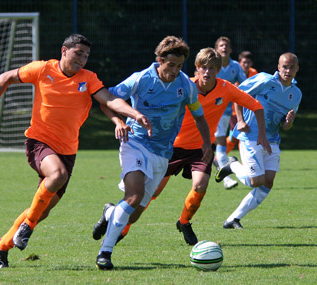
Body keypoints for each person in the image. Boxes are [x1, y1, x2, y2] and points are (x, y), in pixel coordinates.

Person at [0, 34, 151, 269]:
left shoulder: (88, 78)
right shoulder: (42, 69)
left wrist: (133, 114)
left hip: (67, 152)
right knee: (56, 176)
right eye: (78, 53)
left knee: (42, 211)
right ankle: (27, 228)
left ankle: (2, 245)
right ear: (64, 50)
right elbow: (5, 77)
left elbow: (109, 99)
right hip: (38, 142)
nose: (82, 59)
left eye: (86, 56)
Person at [101, 48, 271, 246]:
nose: (207, 72)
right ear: (197, 69)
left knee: (200, 186)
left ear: (218, 71)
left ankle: (184, 222)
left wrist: (260, 134)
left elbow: (256, 105)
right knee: (152, 193)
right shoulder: (182, 86)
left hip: (201, 148)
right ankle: (122, 226)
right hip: (171, 147)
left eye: (212, 69)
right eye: (203, 68)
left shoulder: (226, 89)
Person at [91, 36, 213, 270]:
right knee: (133, 196)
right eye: (171, 65)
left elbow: (199, 116)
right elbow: (107, 99)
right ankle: (105, 253)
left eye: (179, 66)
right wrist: (119, 121)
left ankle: (110, 213)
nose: (175, 71)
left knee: (133, 214)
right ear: (159, 60)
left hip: (162, 153)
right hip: (134, 142)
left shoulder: (185, 85)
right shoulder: (141, 79)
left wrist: (206, 143)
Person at [221, 52, 302, 229]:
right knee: (255, 181)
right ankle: (232, 165)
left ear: (297, 69)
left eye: (292, 67)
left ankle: (233, 219)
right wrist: (240, 121)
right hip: (251, 136)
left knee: (268, 182)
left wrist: (288, 123)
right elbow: (237, 95)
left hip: (272, 140)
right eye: (285, 67)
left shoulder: (296, 94)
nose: (288, 70)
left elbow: (286, 125)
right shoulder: (265, 80)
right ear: (278, 67)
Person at [213, 37, 247, 189]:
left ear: (231, 50)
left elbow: (245, 85)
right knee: (205, 145)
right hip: (208, 110)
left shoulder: (235, 66)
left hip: (225, 112)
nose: (224, 48)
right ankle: (220, 165)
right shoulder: (211, 65)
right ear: (216, 49)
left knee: (221, 142)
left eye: (226, 46)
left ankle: (225, 176)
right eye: (221, 46)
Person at [226, 51, 260, 154]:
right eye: (244, 62)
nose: (246, 65)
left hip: (249, 111)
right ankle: (218, 158)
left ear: (251, 64)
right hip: (235, 111)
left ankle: (245, 160)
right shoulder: (234, 73)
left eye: (248, 62)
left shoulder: (254, 73)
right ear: (239, 62)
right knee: (233, 138)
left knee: (244, 136)